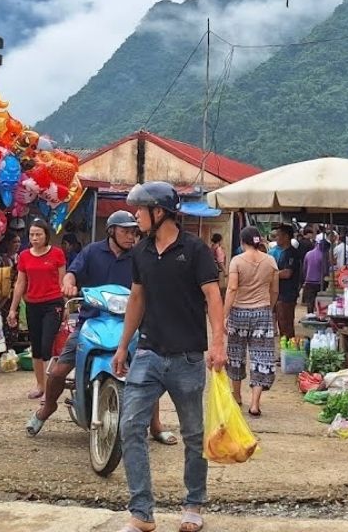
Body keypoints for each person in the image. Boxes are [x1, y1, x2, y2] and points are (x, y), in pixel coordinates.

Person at [112, 181, 226, 532]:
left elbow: (213, 296)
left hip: (188, 358)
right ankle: (142, 512)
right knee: (130, 425)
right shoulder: (141, 252)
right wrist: (122, 345)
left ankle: (193, 504)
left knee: (193, 434)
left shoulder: (194, 251)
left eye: (139, 211)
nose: (135, 218)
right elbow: (136, 299)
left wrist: (218, 342)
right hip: (148, 352)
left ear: (158, 212)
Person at [24, 210, 175, 443]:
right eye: (125, 231)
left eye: (133, 231)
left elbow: (153, 280)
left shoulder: (138, 255)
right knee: (58, 371)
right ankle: (47, 408)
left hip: (129, 323)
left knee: (146, 371)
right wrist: (68, 283)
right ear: (111, 231)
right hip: (91, 321)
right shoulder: (92, 252)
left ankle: (155, 426)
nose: (130, 236)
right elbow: (71, 273)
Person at [8, 217, 66, 399]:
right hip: (32, 304)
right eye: (32, 235)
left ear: (46, 235)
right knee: (37, 347)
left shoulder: (57, 254)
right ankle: (40, 385)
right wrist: (13, 309)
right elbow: (20, 283)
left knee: (47, 344)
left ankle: (50, 388)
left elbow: (62, 280)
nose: (35, 238)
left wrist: (66, 306)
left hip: (53, 303)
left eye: (38, 234)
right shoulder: (24, 256)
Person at [223, 226, 278, 416]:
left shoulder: (237, 261)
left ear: (242, 241)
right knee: (261, 356)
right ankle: (255, 404)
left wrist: (224, 314)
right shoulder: (270, 261)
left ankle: (237, 396)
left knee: (236, 355)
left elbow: (231, 289)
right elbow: (275, 290)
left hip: (239, 312)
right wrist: (268, 308)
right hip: (262, 312)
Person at [272, 223, 303, 338]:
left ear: (286, 237)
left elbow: (287, 273)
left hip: (287, 295)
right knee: (281, 323)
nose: (276, 238)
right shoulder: (282, 253)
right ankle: (285, 351)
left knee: (286, 324)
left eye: (278, 236)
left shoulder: (292, 254)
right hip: (280, 294)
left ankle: (289, 351)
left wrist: (271, 275)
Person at [301, 238, 329, 313]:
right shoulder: (323, 256)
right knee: (320, 301)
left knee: (310, 301)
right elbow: (325, 270)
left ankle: (310, 315)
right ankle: (319, 315)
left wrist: (305, 278)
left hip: (309, 281)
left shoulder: (308, 254)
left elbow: (304, 268)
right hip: (319, 282)